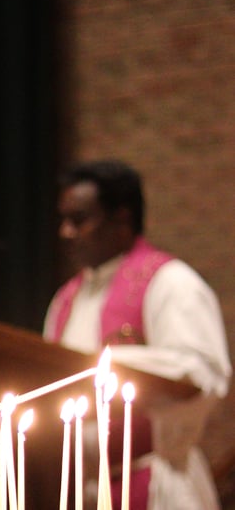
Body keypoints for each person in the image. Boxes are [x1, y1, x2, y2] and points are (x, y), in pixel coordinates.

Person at [43, 159, 231, 510]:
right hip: (81, 488)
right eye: (64, 220)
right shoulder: (65, 299)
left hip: (157, 481)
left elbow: (202, 372)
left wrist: (94, 367)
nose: (65, 232)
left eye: (79, 219)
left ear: (122, 219)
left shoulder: (172, 282)